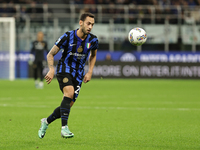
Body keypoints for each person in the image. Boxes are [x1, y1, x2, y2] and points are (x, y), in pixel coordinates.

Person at [38, 12, 98, 139]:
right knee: (69, 93)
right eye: (88, 23)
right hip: (64, 70)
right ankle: (64, 128)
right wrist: (51, 69)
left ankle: (46, 122)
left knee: (66, 106)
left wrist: (90, 71)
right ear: (80, 22)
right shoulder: (67, 36)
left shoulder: (93, 40)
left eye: (92, 24)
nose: (90, 27)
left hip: (78, 74)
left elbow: (93, 55)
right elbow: (50, 54)